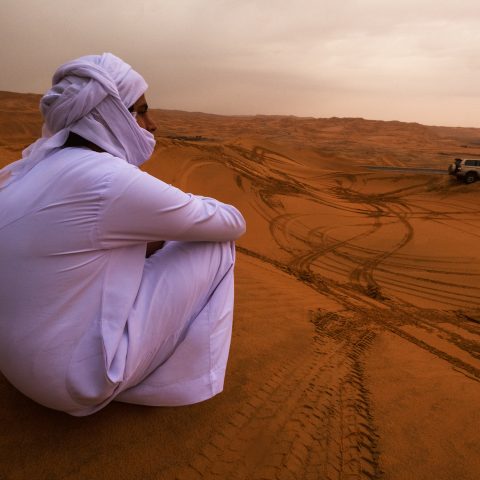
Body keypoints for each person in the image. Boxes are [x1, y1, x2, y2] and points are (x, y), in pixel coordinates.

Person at [0, 53, 246, 416]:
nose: (151, 124)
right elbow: (231, 220)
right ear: (109, 113)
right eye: (141, 110)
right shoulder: (106, 179)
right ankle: (169, 379)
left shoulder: (23, 172)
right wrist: (175, 216)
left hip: (18, 369)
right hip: (75, 384)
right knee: (215, 245)